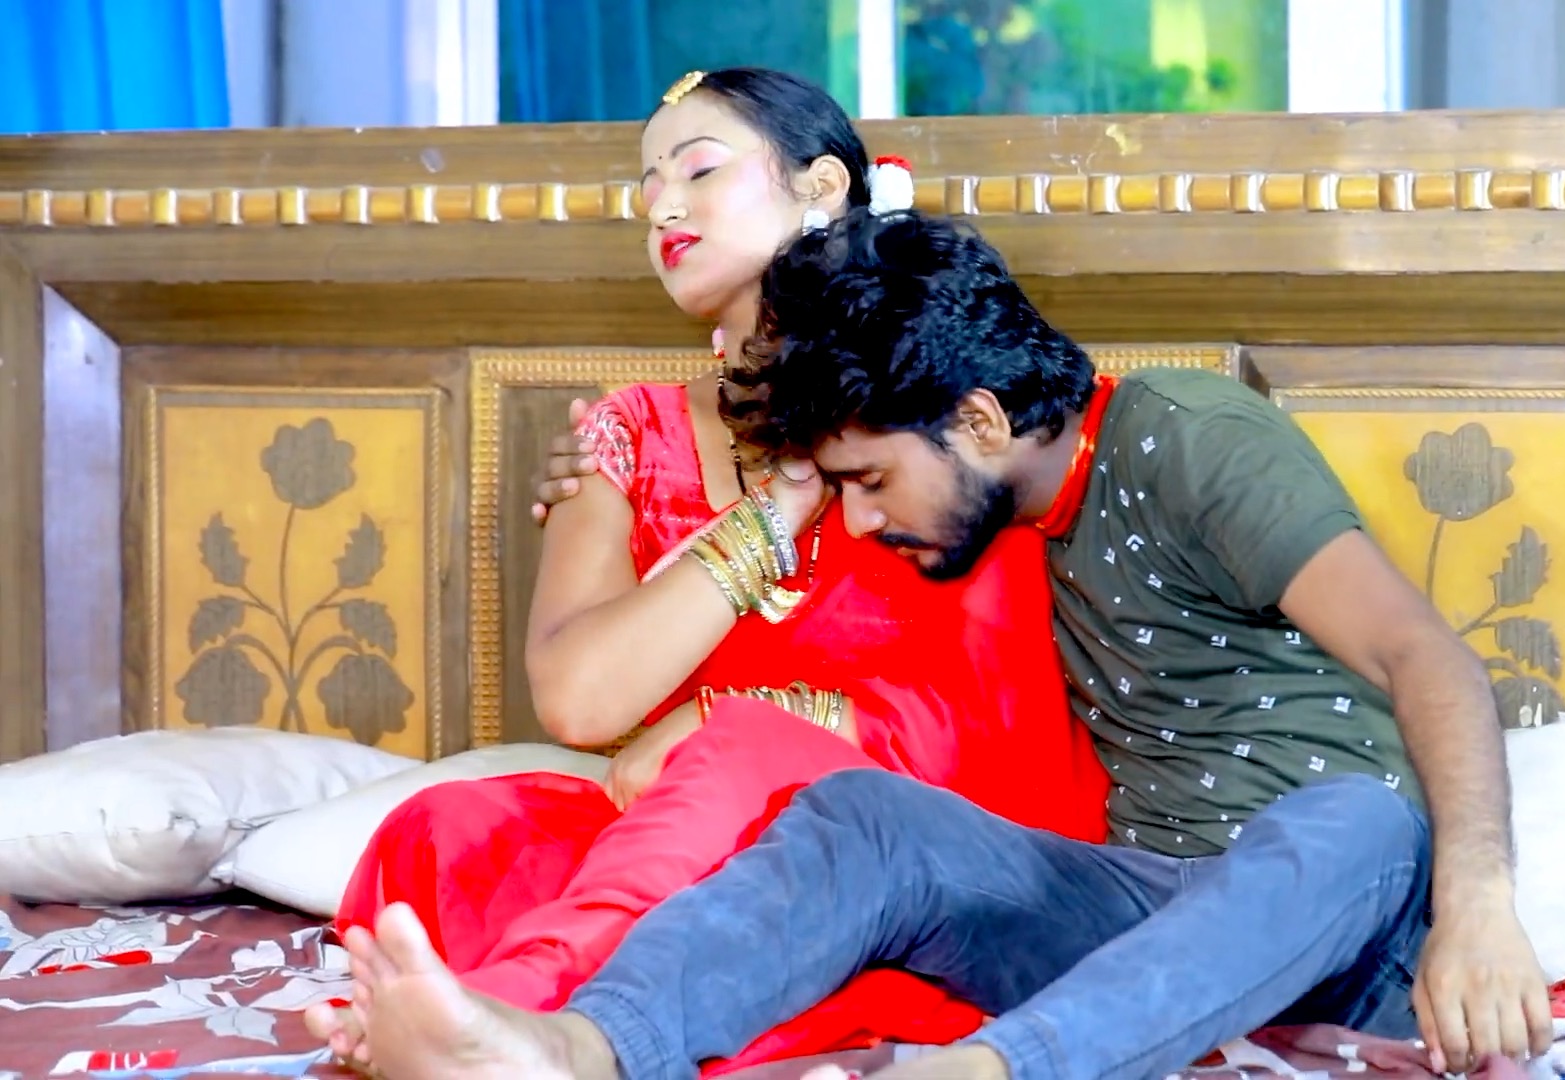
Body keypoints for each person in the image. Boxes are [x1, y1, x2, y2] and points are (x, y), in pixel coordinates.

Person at [332, 208, 1555, 1080]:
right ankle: (575, 1050)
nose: (863, 520)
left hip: (1350, 919)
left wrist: (1482, 907)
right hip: (1143, 913)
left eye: (872, 481)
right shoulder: (992, 529)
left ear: (977, 419)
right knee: (863, 818)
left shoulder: (1189, 437)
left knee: (1353, 820)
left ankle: (991, 1072)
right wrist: (616, 467)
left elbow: (1426, 656)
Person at [305, 72, 1109, 1076]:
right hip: (687, 825)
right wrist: (772, 515)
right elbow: (581, 703)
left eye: (698, 170)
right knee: (452, 831)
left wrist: (727, 720)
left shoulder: (937, 394)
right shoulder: (629, 433)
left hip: (913, 821)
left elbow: (991, 717)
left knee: (730, 763)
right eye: (647, 190)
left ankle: (525, 1021)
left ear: (822, 186)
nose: (663, 209)